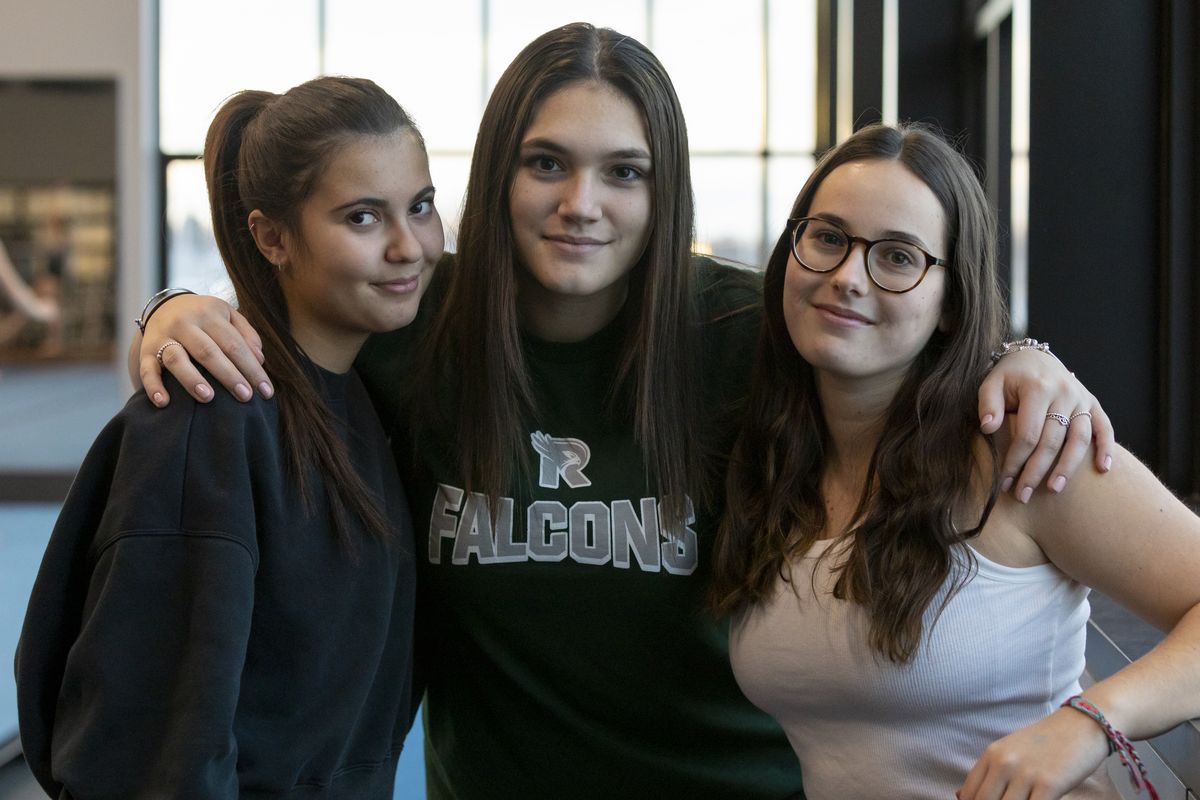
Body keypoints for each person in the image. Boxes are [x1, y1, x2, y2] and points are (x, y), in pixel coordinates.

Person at [128, 25, 1114, 799]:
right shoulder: (419, 329)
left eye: (624, 171)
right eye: (546, 163)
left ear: (663, 186)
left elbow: (897, 329)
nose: (581, 202)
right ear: (500, 170)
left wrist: (1024, 358)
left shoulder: (744, 332)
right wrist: (167, 312)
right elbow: (284, 322)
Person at [714, 122, 1200, 799]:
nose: (849, 277)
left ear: (951, 301)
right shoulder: (772, 459)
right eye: (827, 237)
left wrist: (1091, 722)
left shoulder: (1023, 449)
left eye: (898, 256)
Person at [16, 76, 442, 798]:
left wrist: (165, 305)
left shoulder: (364, 397)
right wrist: (165, 311)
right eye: (363, 218)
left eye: (421, 207)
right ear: (271, 236)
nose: (410, 247)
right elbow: (149, 753)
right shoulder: (213, 418)